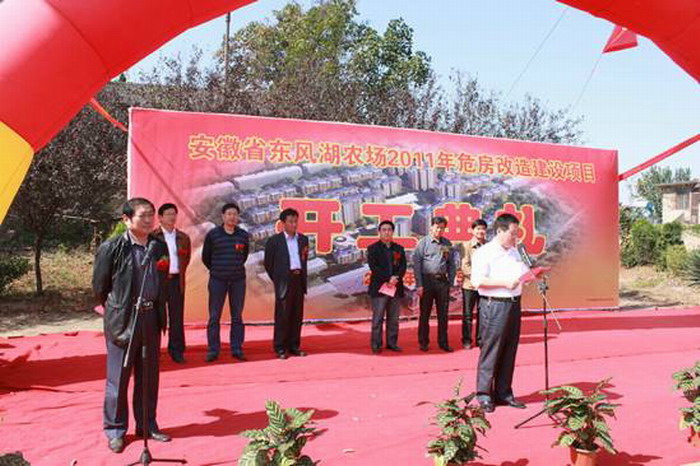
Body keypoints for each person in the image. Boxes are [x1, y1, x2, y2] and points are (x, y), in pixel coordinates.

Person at [92, 197, 171, 453]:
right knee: (118, 377)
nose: (148, 220)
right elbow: (100, 287)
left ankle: (147, 425)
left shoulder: (158, 246)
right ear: (126, 219)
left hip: (151, 318)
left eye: (151, 215)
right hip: (123, 320)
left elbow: (163, 280)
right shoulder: (112, 247)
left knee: (148, 377)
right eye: (142, 215)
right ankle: (115, 429)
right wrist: (118, 310)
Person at [471, 213, 529, 413]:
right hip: (494, 305)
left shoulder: (515, 252)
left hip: (514, 304)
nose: (515, 237)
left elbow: (521, 274)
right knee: (491, 349)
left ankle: (504, 392)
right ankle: (484, 394)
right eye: (513, 233)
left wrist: (530, 276)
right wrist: (504, 283)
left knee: (509, 349)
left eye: (517, 233)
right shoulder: (484, 252)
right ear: (499, 231)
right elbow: (478, 281)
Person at [202, 202, 249, 362]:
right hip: (218, 280)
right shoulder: (213, 235)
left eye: (235, 214)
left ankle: (236, 348)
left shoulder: (243, 235)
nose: (232, 217)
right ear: (223, 216)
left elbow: (244, 256)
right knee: (214, 316)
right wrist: (218, 270)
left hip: (238, 281)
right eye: (229, 214)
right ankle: (213, 349)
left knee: (237, 316)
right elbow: (206, 257)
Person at [264, 208, 310, 359]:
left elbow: (304, 259)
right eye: (290, 221)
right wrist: (278, 279)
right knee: (283, 315)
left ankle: (294, 346)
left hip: (298, 279)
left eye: (296, 221)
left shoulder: (303, 239)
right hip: (284, 281)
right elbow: (268, 264)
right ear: (283, 223)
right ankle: (280, 347)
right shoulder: (274, 241)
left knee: (297, 315)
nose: (294, 224)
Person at [152, 203, 191, 363]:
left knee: (177, 317)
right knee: (156, 317)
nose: (172, 217)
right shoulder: (153, 237)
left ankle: (177, 350)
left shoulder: (183, 238)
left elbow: (186, 259)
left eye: (174, 214)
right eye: (168, 214)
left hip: (176, 281)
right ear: (160, 217)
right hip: (158, 282)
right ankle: (153, 350)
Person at [413, 216, 457, 352]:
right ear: (431, 227)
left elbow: (451, 264)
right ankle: (423, 342)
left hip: (442, 282)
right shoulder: (423, 243)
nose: (439, 230)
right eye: (437, 227)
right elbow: (417, 265)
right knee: (425, 313)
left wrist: (451, 283)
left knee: (443, 314)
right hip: (427, 281)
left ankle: (443, 342)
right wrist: (419, 285)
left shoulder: (447, 243)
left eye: (442, 228)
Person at [367, 220, 407, 354]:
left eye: (389, 230)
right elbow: (374, 268)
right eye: (384, 230)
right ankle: (376, 344)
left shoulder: (399, 249)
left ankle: (392, 343)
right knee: (378, 318)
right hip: (380, 288)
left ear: (393, 232)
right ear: (379, 232)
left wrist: (396, 278)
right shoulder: (373, 249)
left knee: (393, 319)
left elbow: (403, 266)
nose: (387, 232)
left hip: (395, 288)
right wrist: (388, 279)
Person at [460, 219, 487, 348]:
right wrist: (477, 279)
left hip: (485, 286)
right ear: (472, 230)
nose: (480, 231)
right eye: (478, 229)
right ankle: (467, 340)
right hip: (469, 285)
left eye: (483, 229)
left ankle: (480, 340)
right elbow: (465, 266)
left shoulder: (489, 247)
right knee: (467, 315)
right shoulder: (466, 246)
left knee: (483, 314)